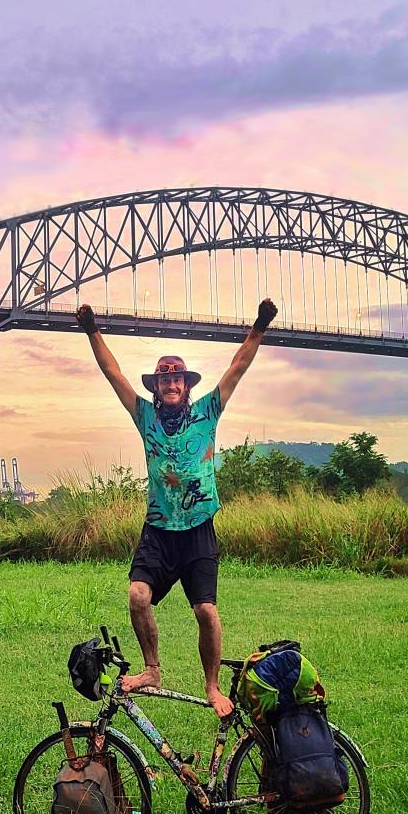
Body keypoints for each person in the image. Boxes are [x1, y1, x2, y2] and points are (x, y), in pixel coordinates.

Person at [75, 297, 278, 717]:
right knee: (137, 596)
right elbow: (113, 374)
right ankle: (152, 670)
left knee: (205, 610)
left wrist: (259, 326)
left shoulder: (208, 411)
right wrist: (93, 330)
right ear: (155, 388)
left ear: (187, 386)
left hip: (199, 529)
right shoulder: (144, 416)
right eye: (164, 381)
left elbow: (238, 366)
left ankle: (213, 686)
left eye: (177, 380)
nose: (170, 385)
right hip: (159, 529)